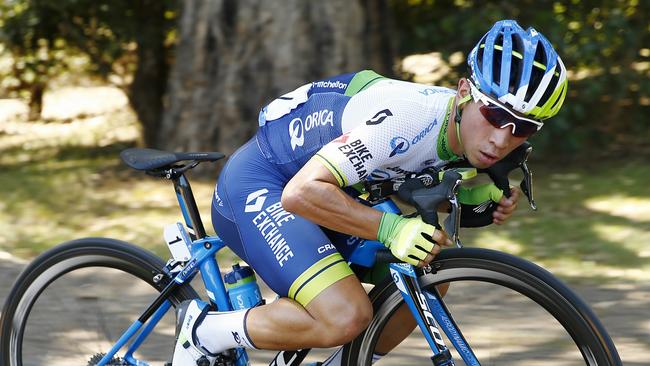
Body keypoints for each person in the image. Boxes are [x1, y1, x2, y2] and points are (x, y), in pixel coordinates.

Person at [172, 19, 568, 365]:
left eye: (524, 128)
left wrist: (473, 200)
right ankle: (206, 332)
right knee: (345, 315)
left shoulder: (462, 134)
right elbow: (301, 193)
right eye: (496, 115)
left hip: (323, 190)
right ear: (464, 91)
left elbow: (410, 183)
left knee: (431, 270)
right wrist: (392, 231)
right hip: (266, 185)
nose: (502, 139)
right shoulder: (406, 120)